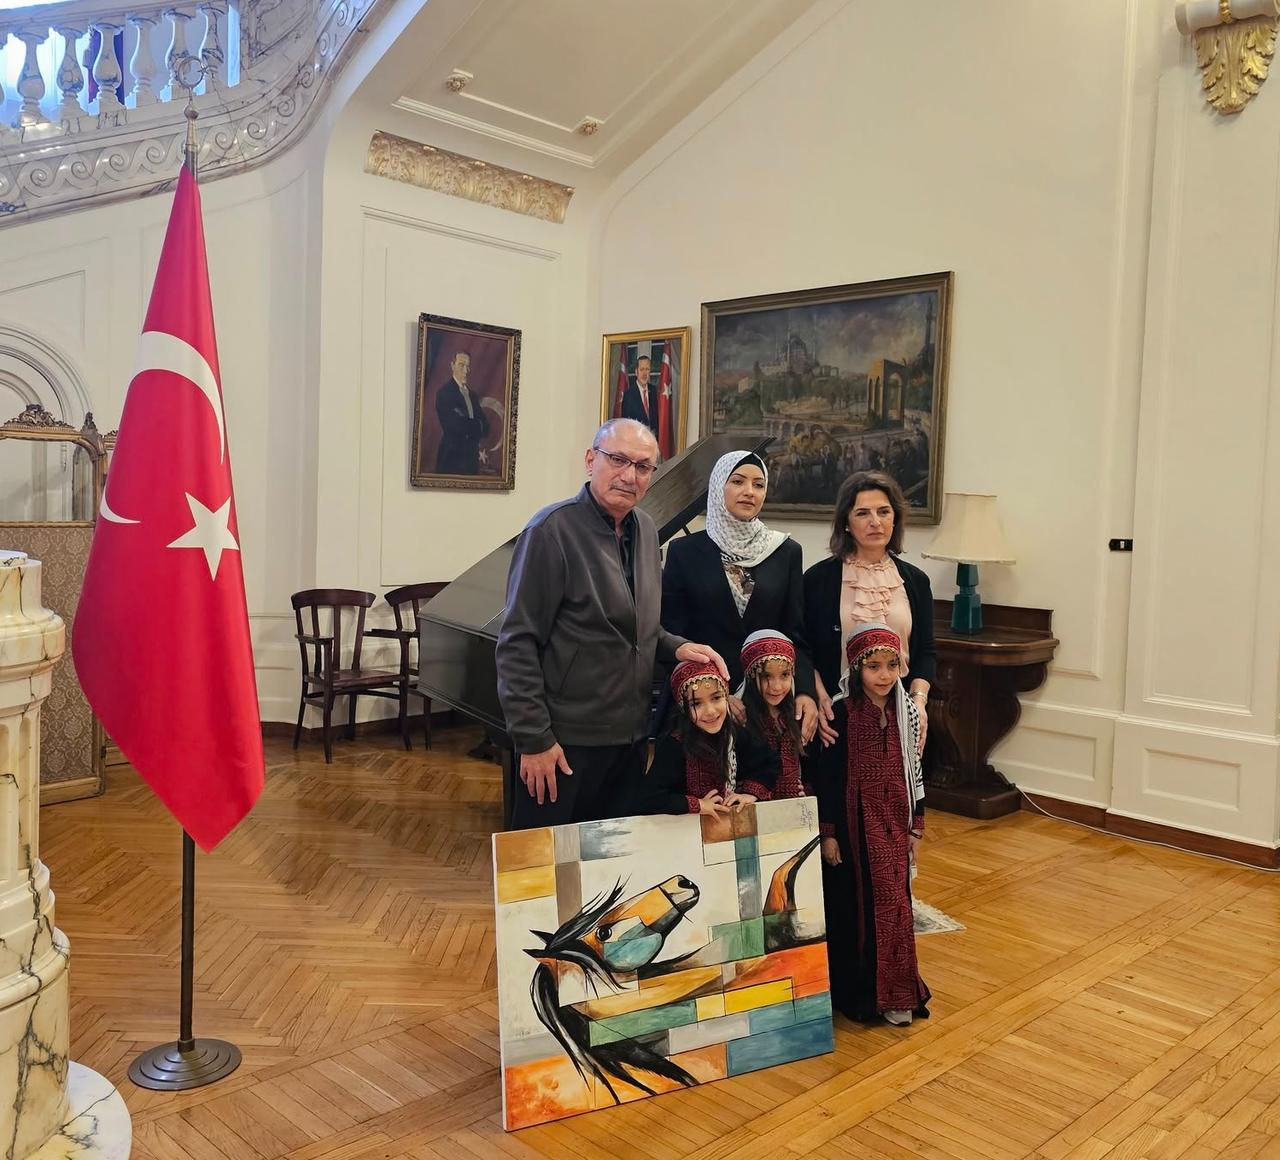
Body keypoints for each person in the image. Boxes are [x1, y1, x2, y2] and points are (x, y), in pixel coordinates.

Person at [496, 418, 727, 829]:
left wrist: (676, 647)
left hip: (629, 741)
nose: (629, 475)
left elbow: (637, 628)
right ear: (590, 460)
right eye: (618, 460)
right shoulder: (551, 532)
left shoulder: (646, 530)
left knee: (612, 869)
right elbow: (517, 643)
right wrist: (534, 740)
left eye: (642, 466)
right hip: (564, 743)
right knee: (545, 874)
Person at [814, 622, 929, 1026]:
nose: (884, 676)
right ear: (856, 669)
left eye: (891, 666)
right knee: (857, 911)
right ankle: (861, 995)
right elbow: (826, 778)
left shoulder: (907, 714)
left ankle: (899, 993)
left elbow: (915, 769)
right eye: (874, 667)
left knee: (897, 906)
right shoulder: (840, 716)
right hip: (852, 829)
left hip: (895, 825)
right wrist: (827, 833)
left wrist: (916, 825)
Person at [663, 450, 819, 743]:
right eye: (738, 481)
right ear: (719, 486)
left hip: (769, 703)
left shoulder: (786, 551)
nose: (749, 492)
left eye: (759, 485)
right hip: (702, 704)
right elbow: (675, 635)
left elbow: (795, 635)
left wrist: (807, 692)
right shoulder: (683, 552)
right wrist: (717, 691)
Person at [803, 470, 935, 748]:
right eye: (863, 513)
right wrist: (819, 697)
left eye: (884, 512)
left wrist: (918, 703)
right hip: (835, 717)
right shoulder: (817, 579)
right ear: (846, 523)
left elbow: (926, 651)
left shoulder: (916, 581)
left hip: (901, 716)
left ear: (895, 518)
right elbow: (804, 649)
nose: (876, 522)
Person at [632, 659, 778, 817]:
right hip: (686, 830)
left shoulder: (735, 733)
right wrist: (697, 805)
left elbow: (769, 763)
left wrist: (750, 793)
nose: (710, 711)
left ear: (726, 696)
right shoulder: (674, 745)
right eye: (696, 704)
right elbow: (649, 798)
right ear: (684, 708)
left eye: (716, 698)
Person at [739, 630, 806, 799]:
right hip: (752, 809)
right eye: (766, 676)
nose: (776, 687)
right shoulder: (740, 718)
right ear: (751, 675)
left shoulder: (797, 715)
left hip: (794, 811)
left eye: (784, 675)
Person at [435, 351, 490, 475]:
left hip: (471, 460)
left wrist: (467, 423)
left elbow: (486, 427)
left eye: (467, 366)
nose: (465, 370)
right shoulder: (444, 393)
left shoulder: (473, 396)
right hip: (451, 459)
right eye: (461, 365)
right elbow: (453, 426)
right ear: (452, 365)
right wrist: (477, 425)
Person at [620, 354, 658, 437]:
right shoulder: (628, 395)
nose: (644, 373)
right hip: (636, 443)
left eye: (647, 369)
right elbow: (625, 425)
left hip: (652, 442)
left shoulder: (654, 391)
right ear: (636, 372)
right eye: (642, 369)